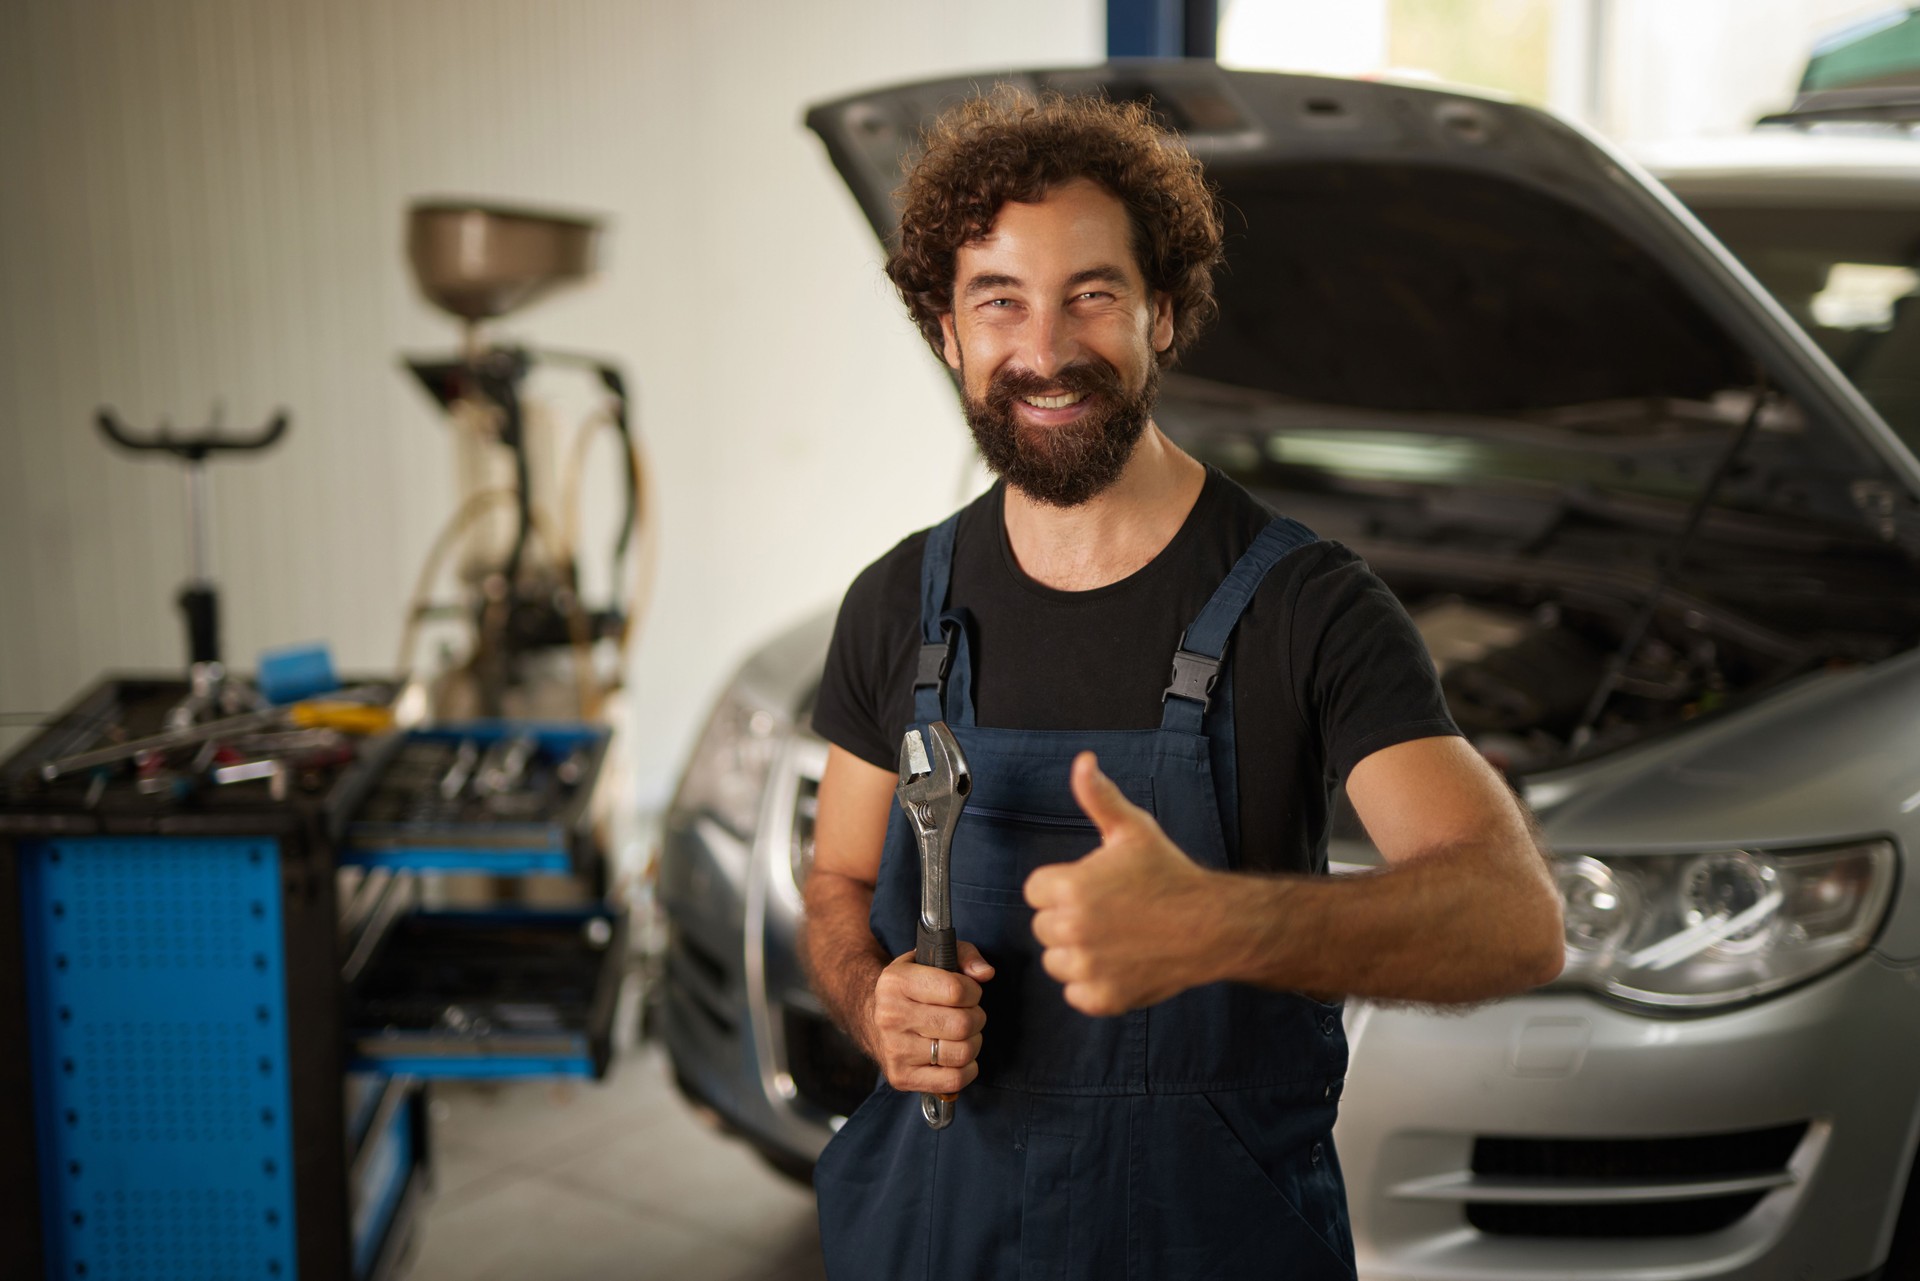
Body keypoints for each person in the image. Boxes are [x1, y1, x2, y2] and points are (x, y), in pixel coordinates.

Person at [802, 87, 1564, 1279]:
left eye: (1091, 295)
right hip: (933, 1234)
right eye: (998, 302)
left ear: (1164, 312)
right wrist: (871, 1000)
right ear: (947, 333)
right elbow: (839, 879)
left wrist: (1225, 921)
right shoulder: (896, 605)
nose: (1044, 352)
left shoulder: (1310, 609)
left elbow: (1515, 921)